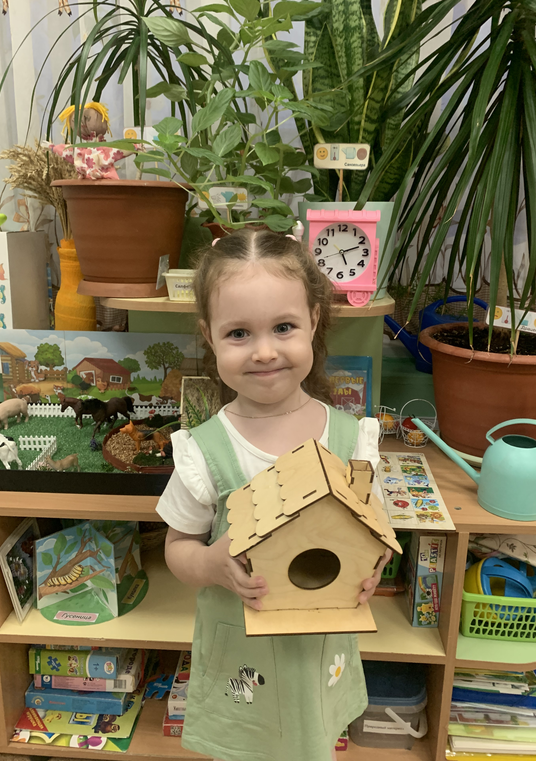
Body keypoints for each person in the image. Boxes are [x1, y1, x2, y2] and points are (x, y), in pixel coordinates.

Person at [156, 229, 392, 761]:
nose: (264, 352)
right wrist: (212, 563)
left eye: (283, 327)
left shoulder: (351, 439)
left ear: (314, 320)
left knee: (313, 742)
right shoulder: (204, 450)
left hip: (319, 655)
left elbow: (373, 526)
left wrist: (374, 564)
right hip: (244, 660)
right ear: (210, 336)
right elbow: (177, 547)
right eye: (239, 333)